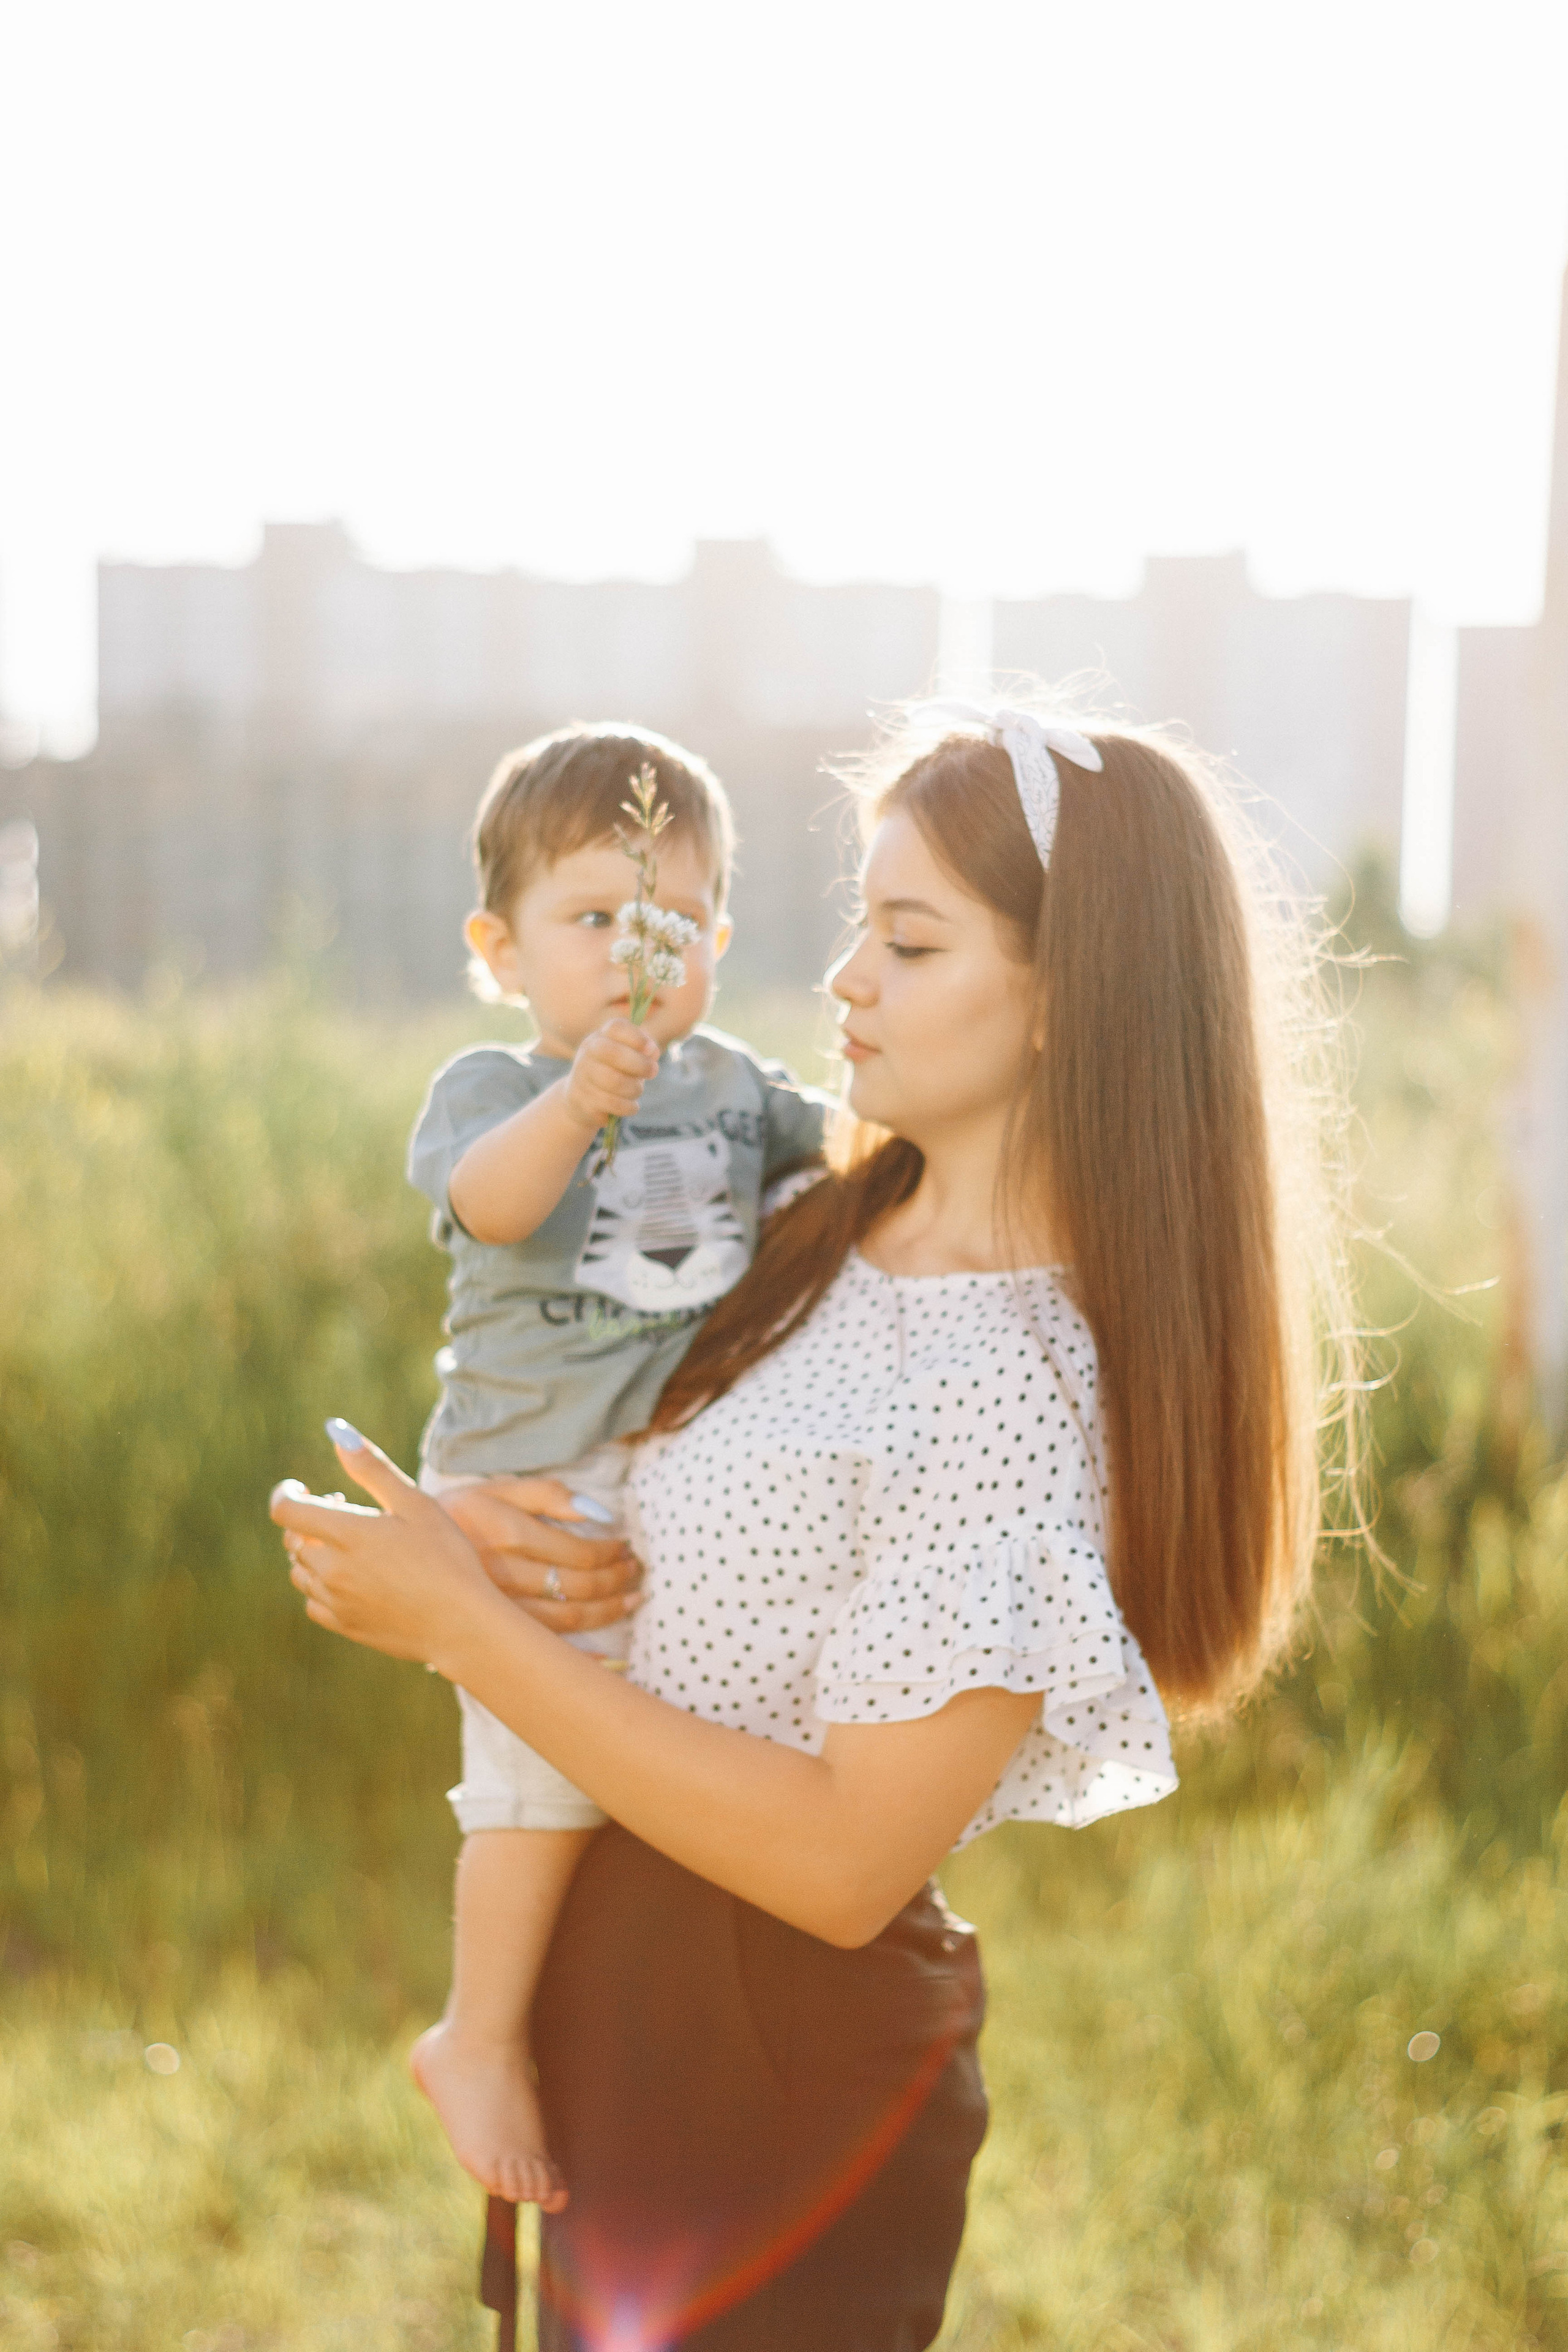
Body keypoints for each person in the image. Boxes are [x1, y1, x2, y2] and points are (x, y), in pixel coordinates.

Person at [273, 700, 1360, 2352]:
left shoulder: (1020, 1387)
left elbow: (850, 1866)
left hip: (772, 2059)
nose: (846, 976)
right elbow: (558, 1347)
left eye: (910, 942)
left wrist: (467, 1627)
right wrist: (493, 1526)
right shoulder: (816, 1218)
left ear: (1078, 995)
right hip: (614, 1971)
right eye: (861, 925)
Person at [401, 722, 827, 2208]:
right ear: (499, 948)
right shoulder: (489, 1089)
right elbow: (495, 1207)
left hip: (672, 1471)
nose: (628, 956)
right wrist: (579, 1100)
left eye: (665, 925)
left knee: (665, 1755)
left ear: (712, 938)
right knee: (539, 1778)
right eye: (590, 922)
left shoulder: (729, 1083)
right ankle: (478, 2032)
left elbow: (852, 1158)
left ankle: (632, 2021)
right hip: (532, 1479)